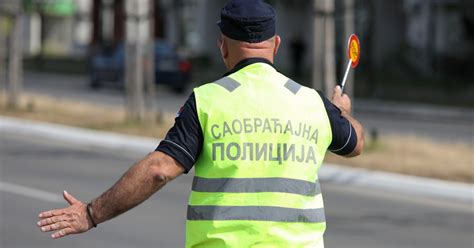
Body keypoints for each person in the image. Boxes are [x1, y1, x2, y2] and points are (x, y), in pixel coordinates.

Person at [37, 0, 364, 247]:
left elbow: (159, 169)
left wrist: (91, 214)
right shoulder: (311, 101)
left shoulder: (209, 100)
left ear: (222, 44)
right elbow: (354, 144)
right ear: (276, 44)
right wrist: (342, 111)